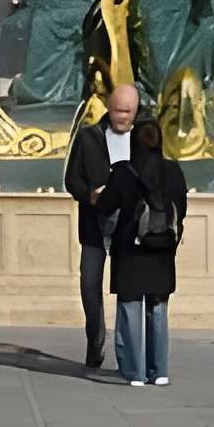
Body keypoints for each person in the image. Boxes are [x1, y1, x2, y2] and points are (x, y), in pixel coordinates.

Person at [96, 102, 189, 388]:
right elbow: (181, 209)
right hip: (161, 250)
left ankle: (134, 372)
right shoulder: (173, 171)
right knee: (158, 310)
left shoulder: (124, 172)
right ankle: (159, 371)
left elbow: (105, 207)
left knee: (130, 307)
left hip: (131, 251)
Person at [62, 81, 155, 371]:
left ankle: (127, 353)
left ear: (136, 111)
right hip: (94, 223)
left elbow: (155, 177)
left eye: (127, 112)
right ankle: (95, 337)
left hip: (128, 225)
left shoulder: (144, 139)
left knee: (127, 289)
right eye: (117, 111)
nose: (122, 117)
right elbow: (71, 179)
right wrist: (89, 194)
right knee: (90, 284)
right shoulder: (89, 137)